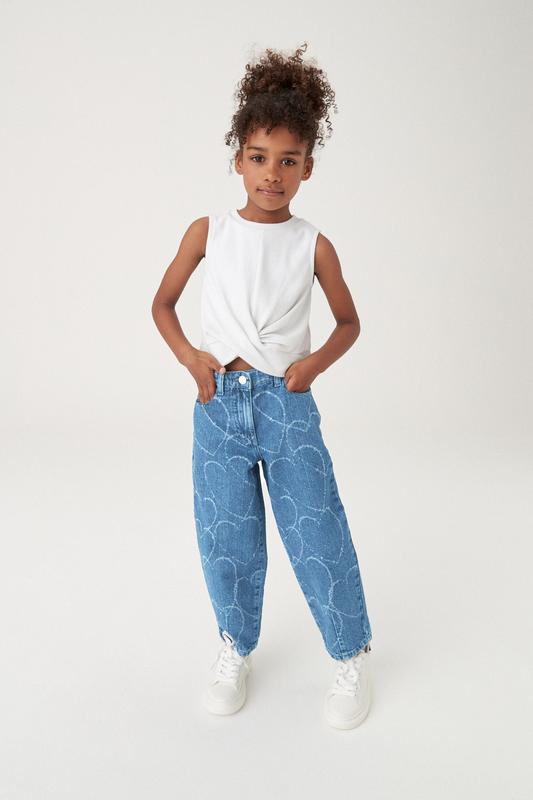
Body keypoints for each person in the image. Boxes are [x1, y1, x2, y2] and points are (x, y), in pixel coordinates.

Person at [151, 42, 373, 730]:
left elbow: (348, 322)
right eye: (258, 157)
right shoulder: (208, 232)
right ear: (237, 158)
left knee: (316, 528)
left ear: (307, 167)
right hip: (218, 405)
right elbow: (162, 303)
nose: (271, 174)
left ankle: (350, 654)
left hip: (286, 405)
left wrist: (312, 366)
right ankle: (234, 646)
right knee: (227, 533)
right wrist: (191, 359)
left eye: (288, 160)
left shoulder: (313, 244)